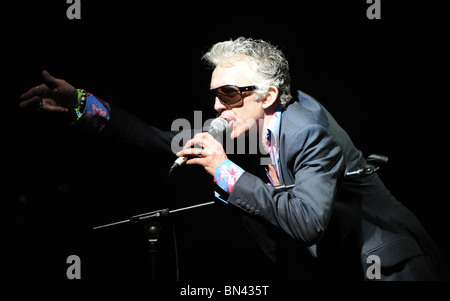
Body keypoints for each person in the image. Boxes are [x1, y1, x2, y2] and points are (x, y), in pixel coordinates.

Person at [19, 37, 447, 280]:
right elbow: (162, 140)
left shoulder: (308, 131)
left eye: (229, 94)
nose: (219, 107)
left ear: (269, 95)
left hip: (392, 266)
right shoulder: (252, 122)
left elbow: (307, 223)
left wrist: (223, 168)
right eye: (214, 96)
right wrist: (80, 105)